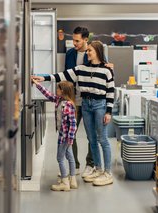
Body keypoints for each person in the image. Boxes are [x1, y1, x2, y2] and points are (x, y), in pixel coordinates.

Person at [32, 40, 115, 186]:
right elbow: (62, 75)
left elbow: (110, 92)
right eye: (87, 50)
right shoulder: (81, 68)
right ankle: (98, 168)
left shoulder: (107, 71)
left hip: (100, 105)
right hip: (85, 104)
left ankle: (107, 173)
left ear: (98, 52)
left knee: (103, 139)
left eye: (90, 51)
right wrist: (43, 78)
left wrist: (108, 111)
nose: (87, 53)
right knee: (92, 139)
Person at [65, 27, 114, 179]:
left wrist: (108, 111)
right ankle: (75, 166)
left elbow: (107, 79)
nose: (74, 43)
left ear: (86, 40)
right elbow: (66, 74)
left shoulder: (94, 52)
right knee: (71, 134)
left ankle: (91, 165)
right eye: (73, 40)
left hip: (95, 102)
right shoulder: (70, 54)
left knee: (95, 137)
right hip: (75, 100)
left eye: (77, 41)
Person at [32, 79, 78, 191]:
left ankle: (64, 182)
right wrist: (38, 85)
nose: (56, 90)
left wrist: (70, 139)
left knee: (60, 158)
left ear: (63, 91)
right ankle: (72, 180)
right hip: (64, 135)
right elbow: (48, 95)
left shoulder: (68, 105)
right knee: (70, 156)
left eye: (58, 88)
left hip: (65, 137)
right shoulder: (59, 100)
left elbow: (73, 123)